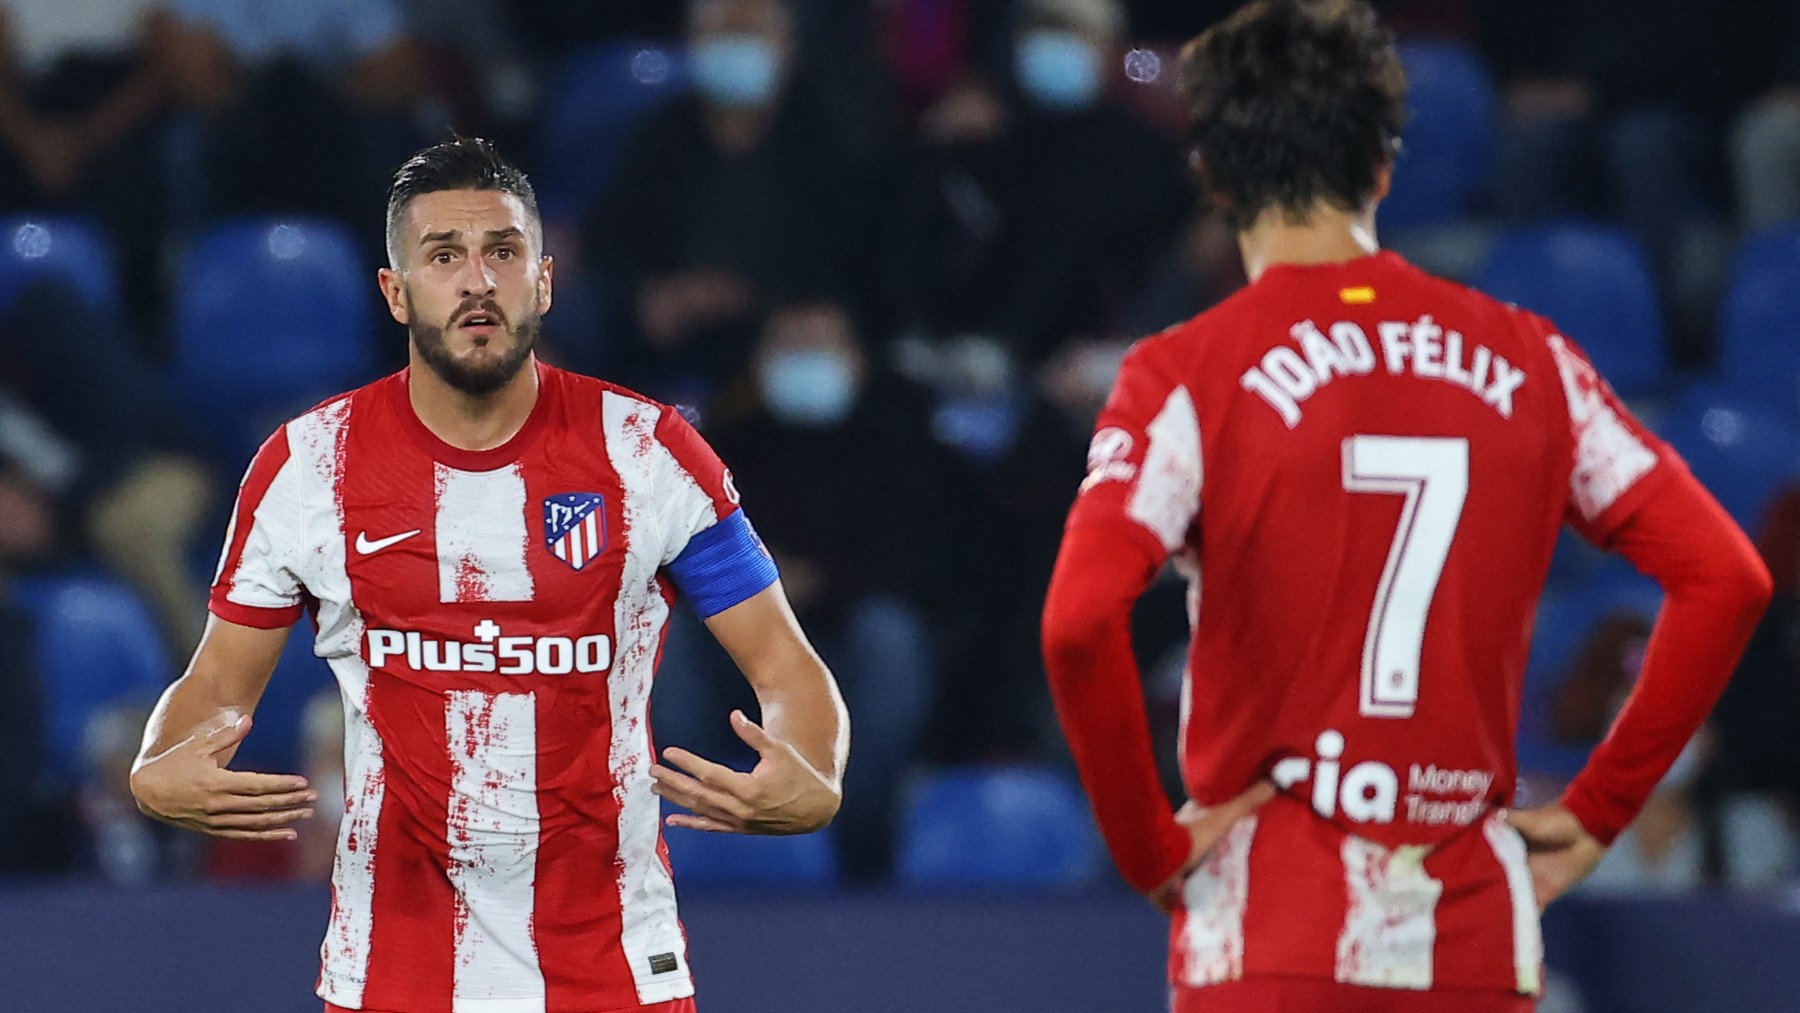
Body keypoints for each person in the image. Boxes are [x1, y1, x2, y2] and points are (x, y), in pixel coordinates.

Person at [1039, 2, 1773, 1011]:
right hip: (1472, 939)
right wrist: (1602, 806)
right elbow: (1728, 577)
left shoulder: (1184, 373)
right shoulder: (1532, 359)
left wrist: (1146, 846)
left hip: (1267, 934)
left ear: (1210, 175)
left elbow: (1078, 622)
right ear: (1385, 168)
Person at [128, 138, 848, 1013]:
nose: (477, 281)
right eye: (443, 256)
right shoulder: (309, 464)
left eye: (502, 252)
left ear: (543, 280)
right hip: (390, 971)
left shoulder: (649, 452)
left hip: (613, 968)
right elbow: (214, 683)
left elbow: (786, 664)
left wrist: (814, 766)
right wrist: (159, 761)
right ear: (396, 293)